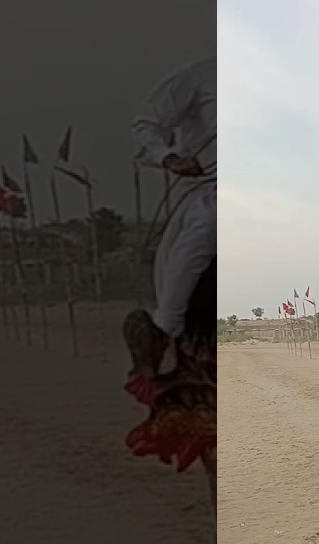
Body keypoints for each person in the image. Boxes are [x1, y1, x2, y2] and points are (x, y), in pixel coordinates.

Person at [130, 57, 217, 346]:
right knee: (207, 226)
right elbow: (146, 123)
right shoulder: (198, 76)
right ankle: (166, 327)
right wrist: (169, 157)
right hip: (212, 186)